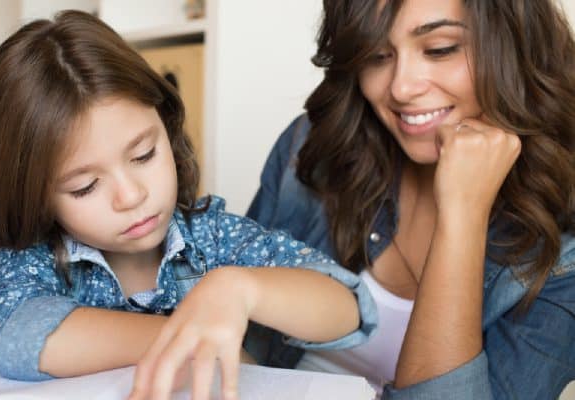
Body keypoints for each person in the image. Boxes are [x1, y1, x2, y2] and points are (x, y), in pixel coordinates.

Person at [0, 10, 377, 400]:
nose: (131, 196)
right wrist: (182, 337)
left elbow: (348, 308)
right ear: (33, 193)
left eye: (143, 156)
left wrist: (238, 289)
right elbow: (18, 337)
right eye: (84, 186)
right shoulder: (36, 254)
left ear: (167, 126)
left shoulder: (213, 237)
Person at [244, 0, 575, 398]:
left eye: (439, 49)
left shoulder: (564, 253)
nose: (401, 88)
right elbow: (231, 339)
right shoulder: (310, 148)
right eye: (378, 55)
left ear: (514, 45)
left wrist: (463, 212)